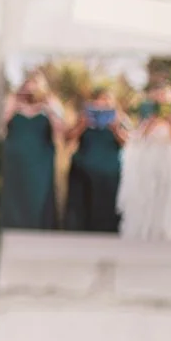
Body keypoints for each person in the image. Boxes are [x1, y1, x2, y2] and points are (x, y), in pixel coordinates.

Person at [119, 81, 171, 241]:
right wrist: (152, 121)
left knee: (168, 202)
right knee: (149, 201)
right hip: (149, 164)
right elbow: (139, 141)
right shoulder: (146, 116)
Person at [0, 72, 64, 229]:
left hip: (40, 164)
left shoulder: (50, 103)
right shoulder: (12, 102)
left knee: (38, 198)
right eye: (27, 88)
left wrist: (50, 109)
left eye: (34, 88)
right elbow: (0, 129)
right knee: (14, 200)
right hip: (14, 163)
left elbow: (60, 132)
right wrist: (11, 107)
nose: (30, 92)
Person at [62, 87, 128, 233]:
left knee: (106, 212)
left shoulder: (120, 118)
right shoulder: (83, 117)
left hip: (109, 175)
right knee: (80, 212)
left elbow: (128, 144)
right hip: (82, 173)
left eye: (106, 102)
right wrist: (81, 125)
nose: (102, 104)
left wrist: (116, 128)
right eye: (99, 101)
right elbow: (67, 138)